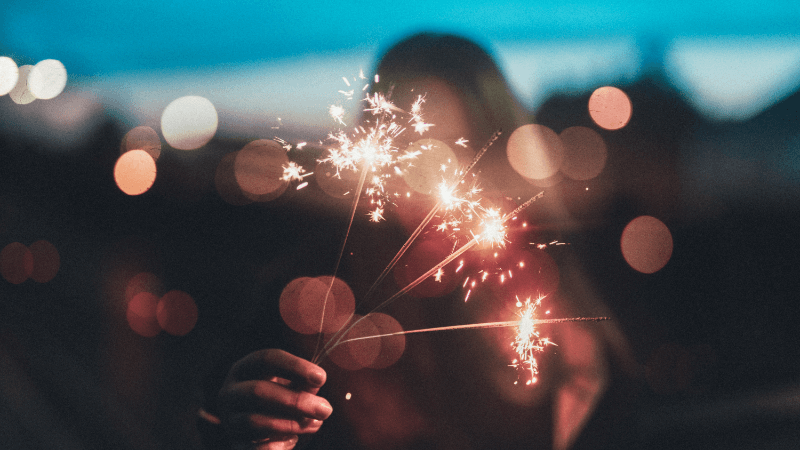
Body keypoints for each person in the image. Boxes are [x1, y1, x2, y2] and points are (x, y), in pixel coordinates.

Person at [200, 32, 636, 450]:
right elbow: (229, 417)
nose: (425, 175)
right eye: (406, 145)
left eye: (453, 147)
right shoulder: (310, 290)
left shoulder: (554, 292)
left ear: (498, 152)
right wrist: (235, 431)